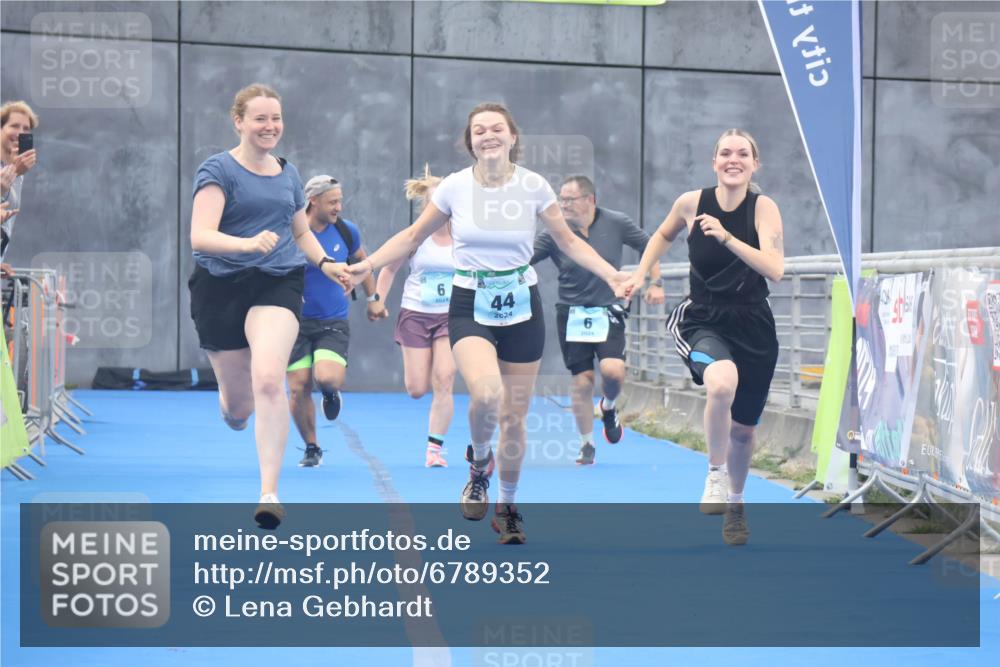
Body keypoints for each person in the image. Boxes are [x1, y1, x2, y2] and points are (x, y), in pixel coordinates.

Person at [344, 103, 628, 544]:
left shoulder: (534, 186)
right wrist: (368, 266)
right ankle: (479, 464)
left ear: (513, 136)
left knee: (514, 418)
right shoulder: (455, 187)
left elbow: (568, 240)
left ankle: (508, 506)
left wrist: (610, 273)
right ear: (470, 141)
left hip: (521, 304)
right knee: (486, 394)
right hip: (470, 300)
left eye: (497, 128)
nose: (489, 135)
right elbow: (412, 237)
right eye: (480, 130)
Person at [188, 84, 350, 529]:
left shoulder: (288, 173)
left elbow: (300, 233)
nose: (269, 127)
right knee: (239, 407)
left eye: (275, 119)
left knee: (269, 379)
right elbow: (200, 235)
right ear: (238, 121)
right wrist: (244, 244)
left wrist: (327, 263)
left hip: (277, 281)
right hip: (220, 286)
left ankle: (269, 492)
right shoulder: (217, 169)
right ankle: (230, 407)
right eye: (259, 118)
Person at [617, 128, 784, 546]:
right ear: (714, 162)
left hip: (754, 325)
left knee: (744, 431)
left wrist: (728, 238)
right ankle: (714, 473)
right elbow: (661, 235)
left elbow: (775, 269)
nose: (733, 159)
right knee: (721, 382)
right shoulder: (691, 203)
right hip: (702, 318)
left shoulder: (763, 209)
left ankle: (737, 503)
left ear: (754, 164)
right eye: (725, 153)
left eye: (742, 154)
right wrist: (640, 274)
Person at [531, 175, 665, 465]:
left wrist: (656, 282)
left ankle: (608, 406)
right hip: (572, 313)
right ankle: (586, 444)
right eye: (560, 199)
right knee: (583, 382)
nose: (563, 205)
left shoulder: (616, 222)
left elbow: (651, 246)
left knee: (613, 372)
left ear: (590, 200)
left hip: (609, 308)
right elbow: (523, 258)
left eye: (570, 199)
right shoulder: (555, 232)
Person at [287, 175, 388, 468]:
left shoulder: (346, 231)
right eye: (332, 202)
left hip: (332, 321)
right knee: (297, 387)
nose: (338, 208)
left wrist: (374, 300)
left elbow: (363, 265)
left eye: (341, 201)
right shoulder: (293, 232)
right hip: (293, 324)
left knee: (327, 378)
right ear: (313, 201)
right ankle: (311, 446)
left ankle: (331, 393)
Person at [375, 165, 456, 468]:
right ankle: (432, 440)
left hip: (452, 317)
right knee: (417, 388)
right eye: (436, 204)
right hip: (416, 314)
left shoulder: (465, 238)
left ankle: (434, 449)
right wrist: (378, 301)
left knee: (445, 378)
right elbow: (388, 270)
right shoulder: (414, 238)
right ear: (427, 207)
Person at [1, 100, 39, 274]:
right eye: (14, 126)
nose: (20, 133)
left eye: (26, 129)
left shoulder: (17, 173)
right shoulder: (15, 170)